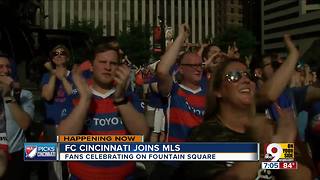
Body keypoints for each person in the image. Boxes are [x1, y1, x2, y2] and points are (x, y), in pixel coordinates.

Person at [183, 58, 313, 179]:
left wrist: (278, 150)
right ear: (218, 91)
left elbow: (305, 175)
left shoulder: (270, 129)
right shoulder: (203, 135)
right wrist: (261, 150)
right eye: (234, 76)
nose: (246, 80)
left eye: (248, 76)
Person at [57, 42, 148, 179]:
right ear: (92, 67)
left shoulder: (129, 97)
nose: (107, 67)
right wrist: (85, 100)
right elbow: (62, 139)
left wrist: (120, 99)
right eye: (102, 62)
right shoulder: (77, 96)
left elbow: (142, 135)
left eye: (113, 63)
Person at [40, 44, 73, 180]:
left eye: (62, 53)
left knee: (73, 160)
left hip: (71, 123)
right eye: (55, 53)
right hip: (52, 124)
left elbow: (73, 94)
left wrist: (63, 78)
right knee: (54, 163)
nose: (59, 55)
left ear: (68, 57)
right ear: (52, 59)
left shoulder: (74, 75)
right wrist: (54, 74)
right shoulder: (46, 77)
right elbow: (47, 96)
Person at [0, 53, 34, 180]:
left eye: (8, 67)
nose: (5, 70)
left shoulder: (25, 94)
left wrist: (8, 96)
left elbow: (25, 124)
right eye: (1, 67)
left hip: (16, 155)